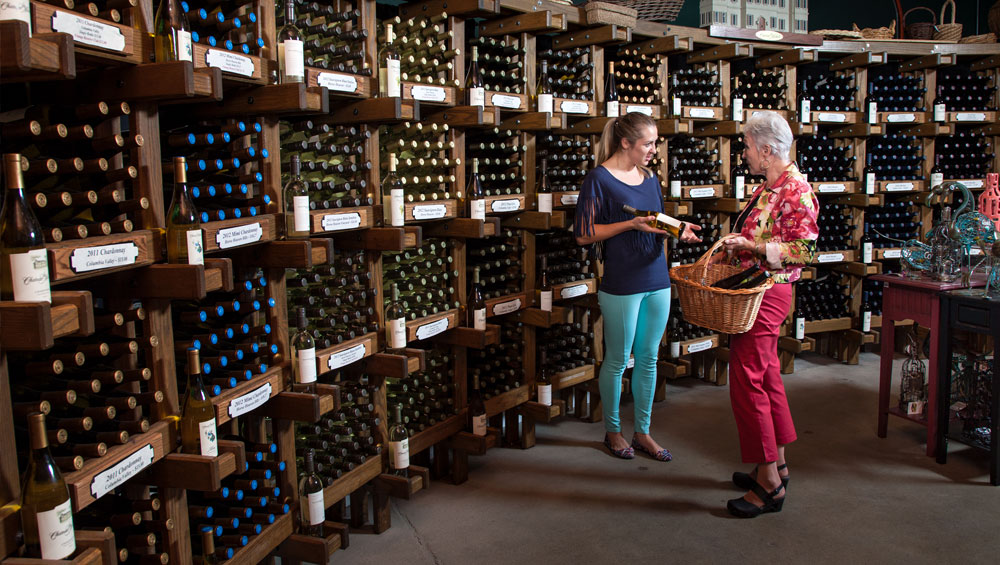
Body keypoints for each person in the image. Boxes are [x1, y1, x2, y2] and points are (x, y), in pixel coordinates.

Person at [574, 112, 701, 462]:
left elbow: (654, 222)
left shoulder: (649, 178)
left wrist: (678, 227)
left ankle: (643, 432)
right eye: (648, 143)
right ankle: (613, 432)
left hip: (657, 279)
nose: (653, 150)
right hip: (622, 283)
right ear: (626, 142)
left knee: (648, 359)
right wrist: (628, 224)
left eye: (655, 143)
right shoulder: (598, 179)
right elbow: (584, 234)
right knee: (617, 360)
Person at [718, 111, 819, 518]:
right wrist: (742, 243)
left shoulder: (796, 190)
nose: (743, 154)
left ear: (765, 149)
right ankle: (777, 463)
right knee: (768, 379)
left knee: (748, 383)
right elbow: (761, 234)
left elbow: (806, 251)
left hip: (769, 294)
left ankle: (768, 485)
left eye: (745, 146)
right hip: (757, 291)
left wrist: (756, 249)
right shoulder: (770, 188)